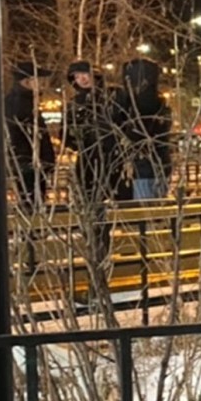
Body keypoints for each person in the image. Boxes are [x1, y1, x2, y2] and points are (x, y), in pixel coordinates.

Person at [64, 59, 122, 278]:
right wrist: (78, 138)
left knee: (110, 208)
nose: (82, 79)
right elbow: (67, 135)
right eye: (77, 76)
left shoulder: (112, 97)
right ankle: (97, 254)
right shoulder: (74, 104)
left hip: (111, 160)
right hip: (88, 162)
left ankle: (107, 254)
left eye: (84, 74)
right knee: (92, 211)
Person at [114, 58, 172, 200]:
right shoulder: (157, 102)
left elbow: (136, 134)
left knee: (144, 207)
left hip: (143, 167)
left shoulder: (143, 102)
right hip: (154, 165)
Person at [4, 61, 56, 213]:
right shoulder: (20, 104)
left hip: (29, 161)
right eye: (38, 79)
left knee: (32, 202)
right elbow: (25, 135)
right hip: (29, 163)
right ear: (27, 81)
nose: (42, 84)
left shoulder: (21, 101)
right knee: (32, 203)